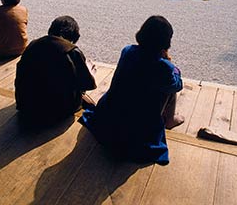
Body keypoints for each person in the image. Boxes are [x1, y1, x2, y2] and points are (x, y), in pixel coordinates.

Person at [79, 15, 184, 165]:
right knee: (170, 85)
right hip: (135, 134)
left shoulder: (127, 51)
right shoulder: (163, 67)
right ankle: (170, 119)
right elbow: (178, 84)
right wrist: (170, 65)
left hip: (106, 120)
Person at [15, 16, 96, 126]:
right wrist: (89, 71)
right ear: (74, 36)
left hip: (26, 106)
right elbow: (87, 84)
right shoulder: (72, 51)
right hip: (57, 112)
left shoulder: (33, 45)